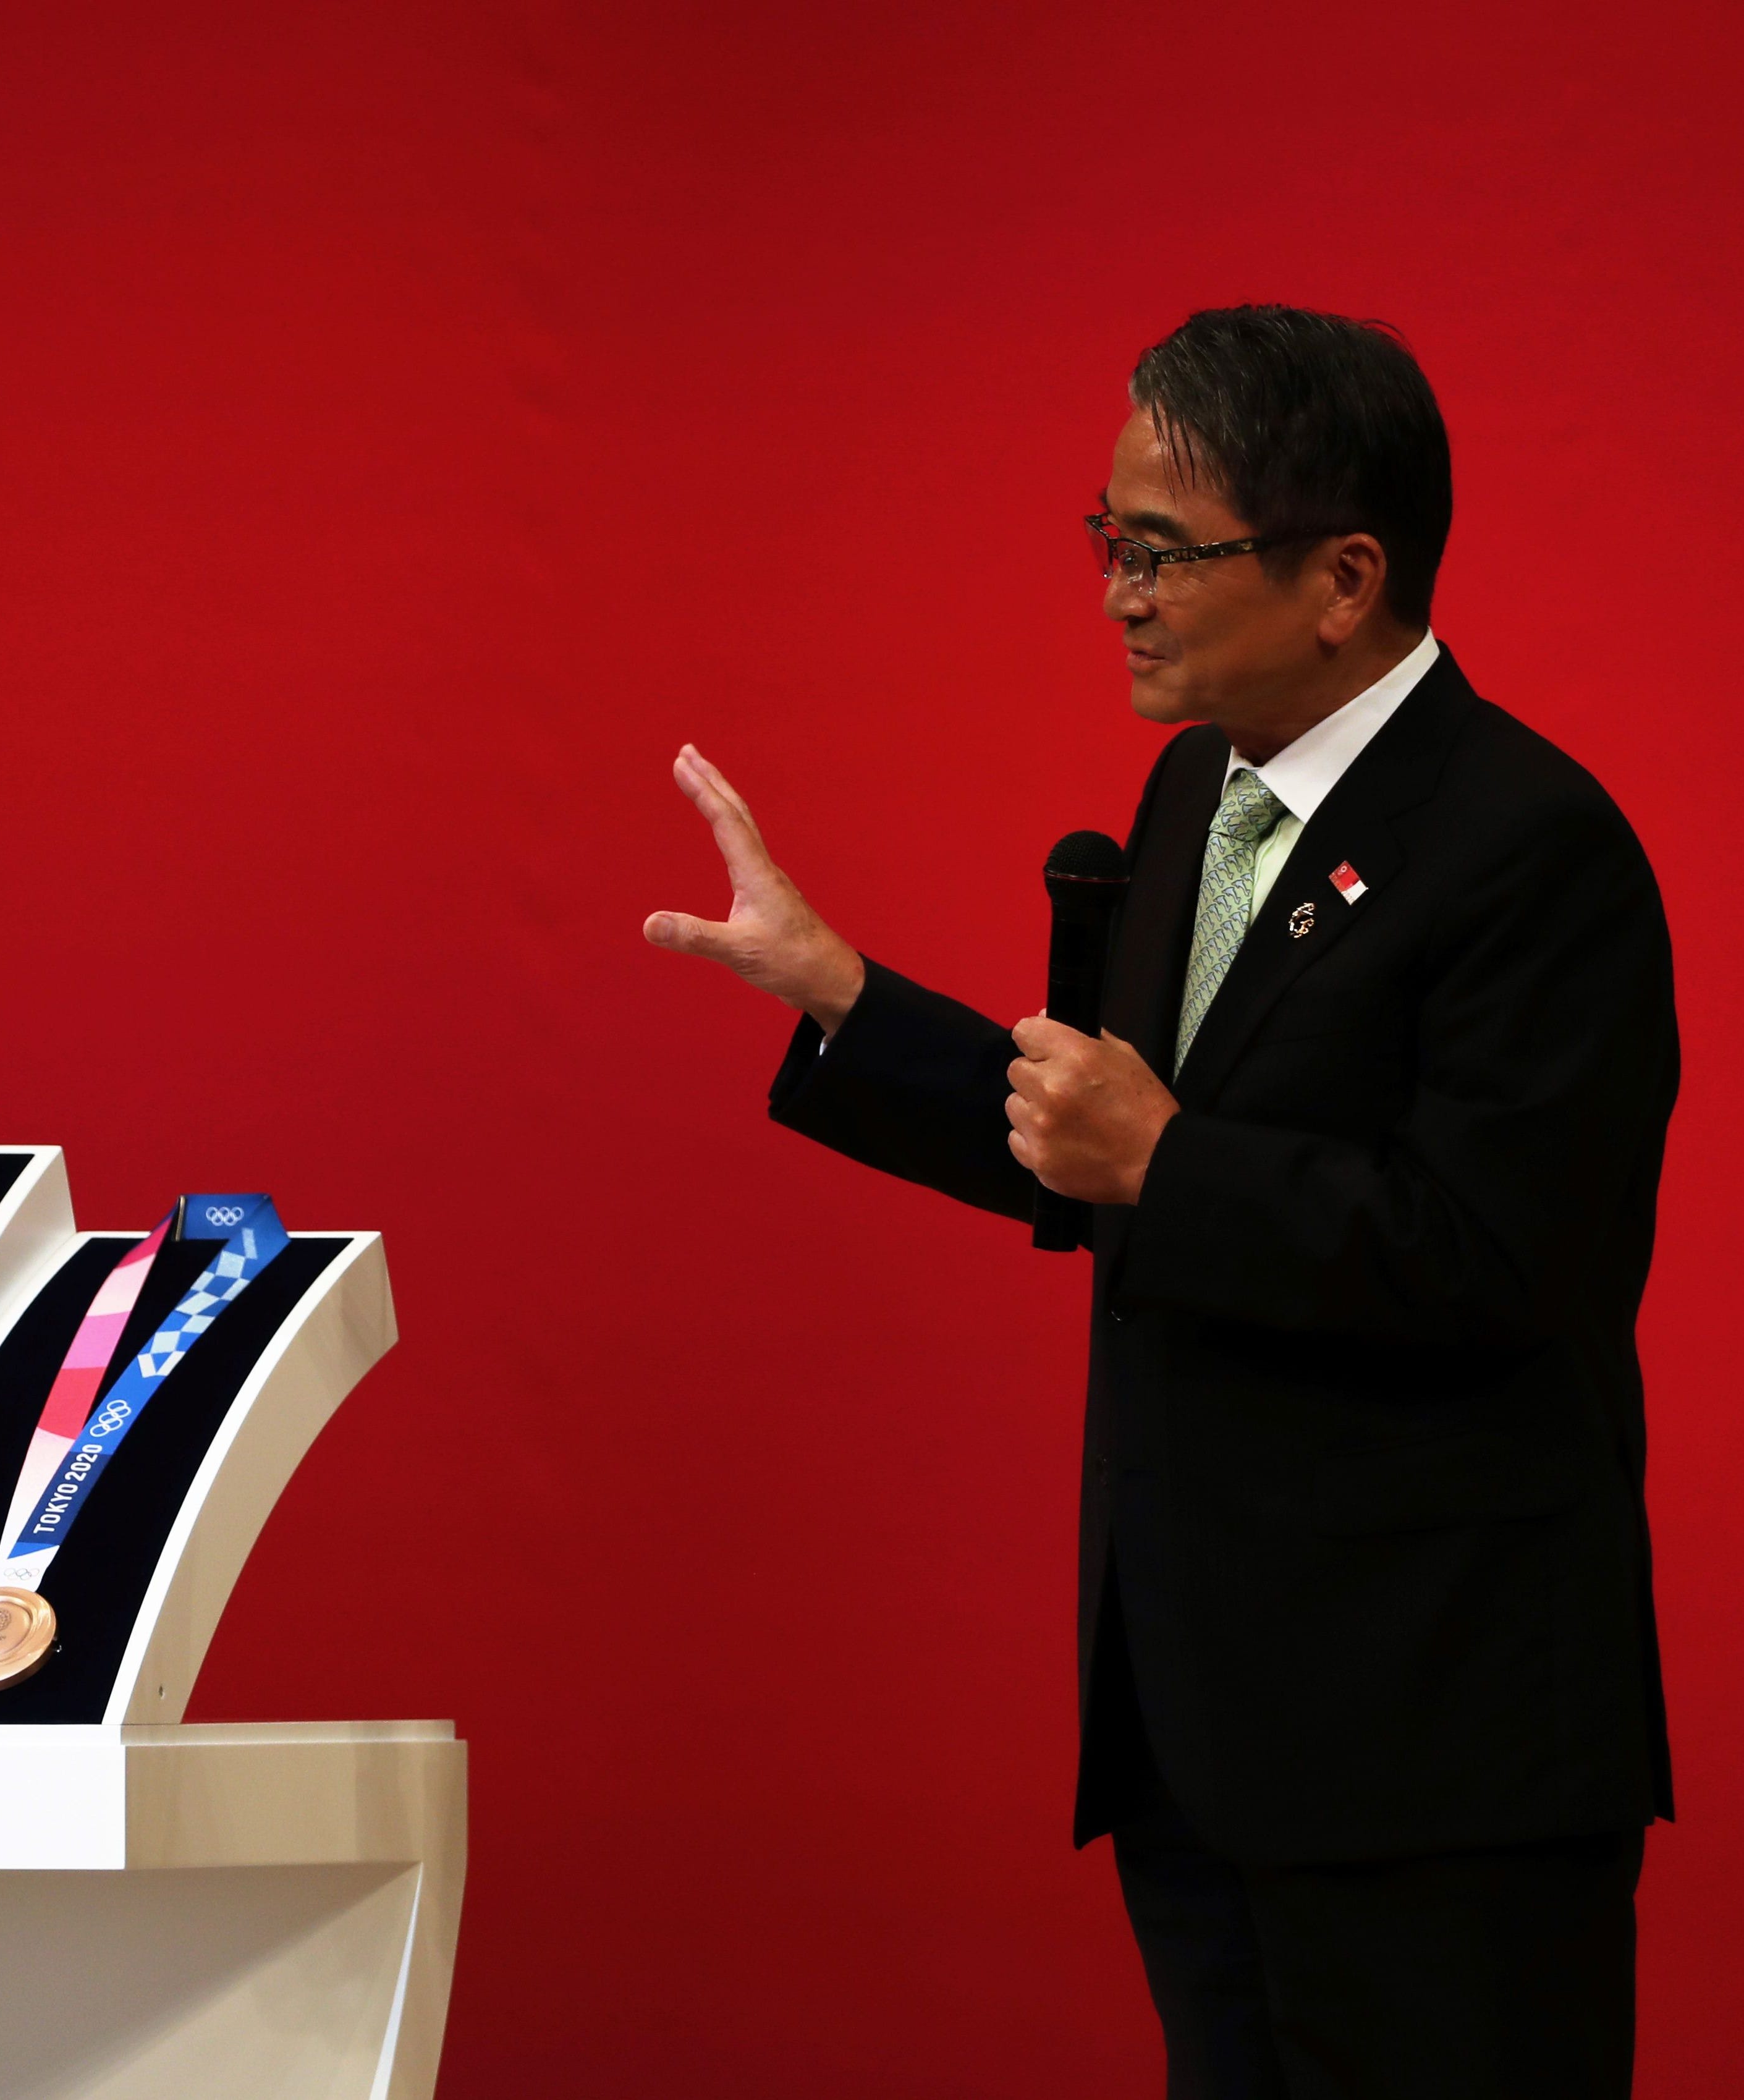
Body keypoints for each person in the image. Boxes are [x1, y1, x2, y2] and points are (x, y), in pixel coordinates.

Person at [646, 306, 1678, 2098]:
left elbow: (1505, 1260)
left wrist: (1167, 1161)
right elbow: (1103, 1159)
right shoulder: (1194, 788)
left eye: (1159, 553)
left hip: (1432, 1749)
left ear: (1343, 574)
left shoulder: (1532, 848)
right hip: (1197, 1716)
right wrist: (848, 1002)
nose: (1115, 592)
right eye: (1101, 540)